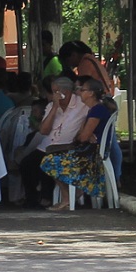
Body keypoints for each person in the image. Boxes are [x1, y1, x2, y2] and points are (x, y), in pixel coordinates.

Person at [39, 76, 115, 208]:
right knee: (50, 157)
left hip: (91, 153)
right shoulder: (93, 109)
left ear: (91, 93)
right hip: (89, 150)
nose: (79, 92)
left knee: (49, 161)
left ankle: (67, 197)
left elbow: (83, 137)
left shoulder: (97, 110)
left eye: (83, 89)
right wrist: (83, 133)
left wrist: (82, 134)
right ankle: (71, 195)